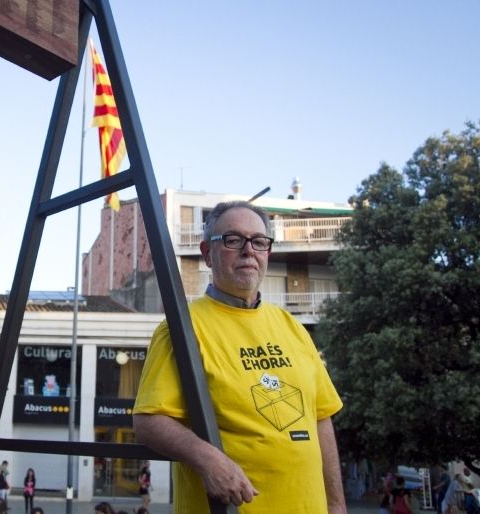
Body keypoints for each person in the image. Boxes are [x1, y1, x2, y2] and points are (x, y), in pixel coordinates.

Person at [133, 201, 347, 513]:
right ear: (207, 253)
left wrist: (337, 504)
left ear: (267, 252)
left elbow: (321, 419)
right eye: (233, 240)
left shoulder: (293, 328)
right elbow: (148, 421)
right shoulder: (180, 329)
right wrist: (208, 459)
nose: (249, 250)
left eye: (258, 241)